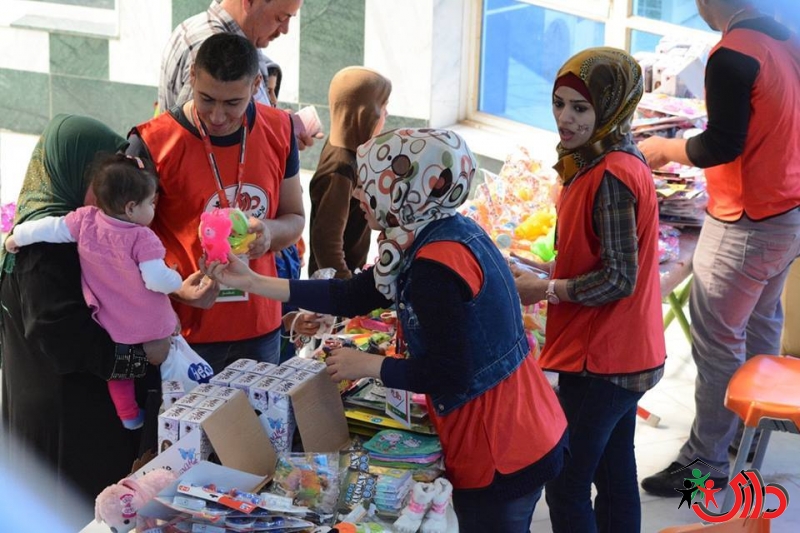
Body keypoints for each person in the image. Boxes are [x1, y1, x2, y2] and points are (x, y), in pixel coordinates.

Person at [203, 128, 568, 533]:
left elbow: (450, 372)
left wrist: (370, 365)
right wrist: (252, 282)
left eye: (369, 183)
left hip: (501, 447)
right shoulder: (439, 230)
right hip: (525, 424)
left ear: (405, 190)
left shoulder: (433, 268)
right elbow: (353, 294)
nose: (359, 195)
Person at [637, 0, 800, 496]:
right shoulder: (785, 36)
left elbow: (721, 146)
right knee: (760, 323)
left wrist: (664, 148)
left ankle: (704, 463)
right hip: (786, 211)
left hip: (746, 221)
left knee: (717, 342)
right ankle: (740, 436)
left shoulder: (732, 55)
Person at [511, 47, 666, 532]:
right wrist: (551, 266)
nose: (565, 118)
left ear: (612, 106)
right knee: (615, 472)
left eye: (580, 108)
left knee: (565, 481)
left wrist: (549, 288)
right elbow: (603, 256)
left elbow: (620, 278)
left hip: (606, 360)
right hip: (624, 351)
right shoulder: (603, 157)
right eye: (559, 103)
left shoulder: (611, 175)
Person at [0, 114, 170, 518]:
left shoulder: (67, 229)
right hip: (66, 420)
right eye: (102, 177)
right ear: (73, 169)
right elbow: (61, 337)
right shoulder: (46, 247)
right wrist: (141, 356)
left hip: (50, 411)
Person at [128, 33, 305, 374]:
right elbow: (120, 245)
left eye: (233, 103)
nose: (218, 115)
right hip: (185, 331)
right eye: (207, 99)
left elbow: (295, 217)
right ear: (192, 75)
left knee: (258, 428)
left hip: (260, 327)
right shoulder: (151, 142)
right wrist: (176, 288)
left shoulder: (280, 129)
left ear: (256, 85)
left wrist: (270, 232)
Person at [4, 153, 181, 431]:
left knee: (120, 383)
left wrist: (18, 236)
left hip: (112, 327)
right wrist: (177, 280)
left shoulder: (84, 220)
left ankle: (128, 414)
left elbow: (50, 228)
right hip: (69, 424)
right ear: (132, 207)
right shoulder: (141, 237)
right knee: (172, 368)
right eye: (152, 203)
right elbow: (156, 279)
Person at [158, 0, 316, 149]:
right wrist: (278, 137)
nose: (285, 30)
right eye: (280, 18)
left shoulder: (216, 32)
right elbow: (199, 146)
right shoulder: (213, 50)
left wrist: (279, 124)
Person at [307, 66, 391, 279]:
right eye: (383, 106)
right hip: (334, 286)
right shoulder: (340, 169)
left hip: (346, 275)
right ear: (365, 114)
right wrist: (346, 288)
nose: (387, 114)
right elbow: (327, 241)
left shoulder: (346, 150)